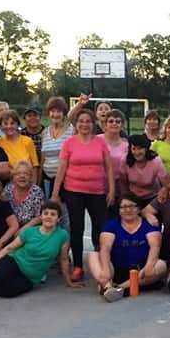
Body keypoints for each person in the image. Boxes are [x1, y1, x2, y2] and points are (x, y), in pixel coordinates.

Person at [0, 201, 81, 297]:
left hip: (30, 277)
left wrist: (69, 281)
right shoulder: (29, 232)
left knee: (6, 292)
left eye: (53, 214)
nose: (48, 216)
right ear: (40, 217)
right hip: (14, 261)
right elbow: (10, 248)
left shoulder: (62, 235)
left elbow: (64, 259)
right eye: (45, 213)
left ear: (58, 219)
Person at [51, 109, 115, 282]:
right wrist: (55, 193)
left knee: (99, 230)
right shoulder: (69, 143)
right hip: (74, 191)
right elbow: (62, 168)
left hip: (97, 192)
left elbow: (109, 167)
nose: (84, 124)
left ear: (93, 124)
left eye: (88, 121)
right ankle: (78, 266)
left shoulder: (100, 142)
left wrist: (112, 190)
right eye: (81, 121)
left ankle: (101, 263)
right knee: (77, 229)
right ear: (76, 124)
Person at [87, 195, 166, 302]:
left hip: (140, 272)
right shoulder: (111, 225)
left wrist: (147, 267)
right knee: (93, 255)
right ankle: (107, 285)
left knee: (161, 265)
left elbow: (154, 248)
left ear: (138, 209)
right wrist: (105, 270)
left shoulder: (149, 224)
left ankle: (117, 288)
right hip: (116, 270)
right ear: (119, 210)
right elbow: (105, 248)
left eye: (132, 206)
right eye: (123, 207)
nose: (128, 210)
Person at [40, 96, 78, 197]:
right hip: (47, 179)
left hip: (66, 181)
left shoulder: (71, 131)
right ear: (48, 113)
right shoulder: (44, 132)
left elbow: (72, 115)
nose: (55, 114)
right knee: (49, 210)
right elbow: (43, 158)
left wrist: (80, 103)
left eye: (59, 111)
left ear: (63, 113)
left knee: (64, 211)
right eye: (52, 111)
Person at [118, 134, 167, 207]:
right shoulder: (125, 160)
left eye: (140, 148)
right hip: (133, 197)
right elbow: (123, 183)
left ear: (146, 148)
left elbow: (165, 184)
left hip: (153, 197)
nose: (137, 152)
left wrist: (162, 193)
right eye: (134, 149)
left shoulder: (156, 161)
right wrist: (126, 199)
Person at [0, 110, 40, 184]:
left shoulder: (27, 141)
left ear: (18, 125)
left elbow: (35, 166)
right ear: (0, 126)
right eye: (5, 124)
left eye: (12, 123)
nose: (9, 126)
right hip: (9, 183)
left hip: (27, 182)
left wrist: (34, 185)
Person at [99, 109, 129, 216]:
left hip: (119, 189)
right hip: (99, 189)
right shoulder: (97, 140)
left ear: (122, 125)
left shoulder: (126, 145)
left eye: (118, 121)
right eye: (111, 121)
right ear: (105, 124)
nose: (114, 123)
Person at [4, 161, 48, 227]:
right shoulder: (8, 189)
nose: (22, 176)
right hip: (11, 227)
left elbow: (40, 217)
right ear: (13, 177)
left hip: (31, 228)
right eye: (18, 174)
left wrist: (23, 230)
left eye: (26, 174)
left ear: (30, 177)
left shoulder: (36, 191)